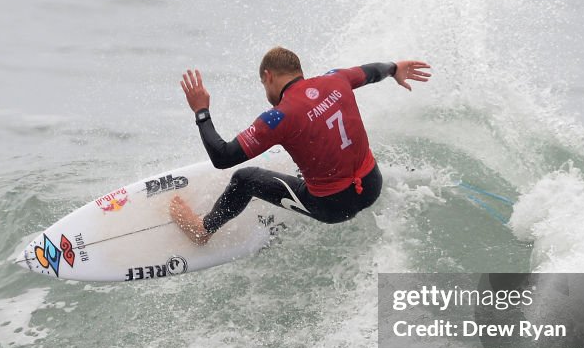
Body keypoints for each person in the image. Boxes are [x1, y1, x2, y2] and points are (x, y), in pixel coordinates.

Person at [170, 47, 431, 245]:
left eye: (263, 85)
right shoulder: (336, 79)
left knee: (244, 178)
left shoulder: (279, 117)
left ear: (268, 76)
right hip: (372, 185)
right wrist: (395, 68)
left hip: (333, 206)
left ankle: (202, 230)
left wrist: (201, 110)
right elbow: (373, 72)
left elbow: (223, 157)